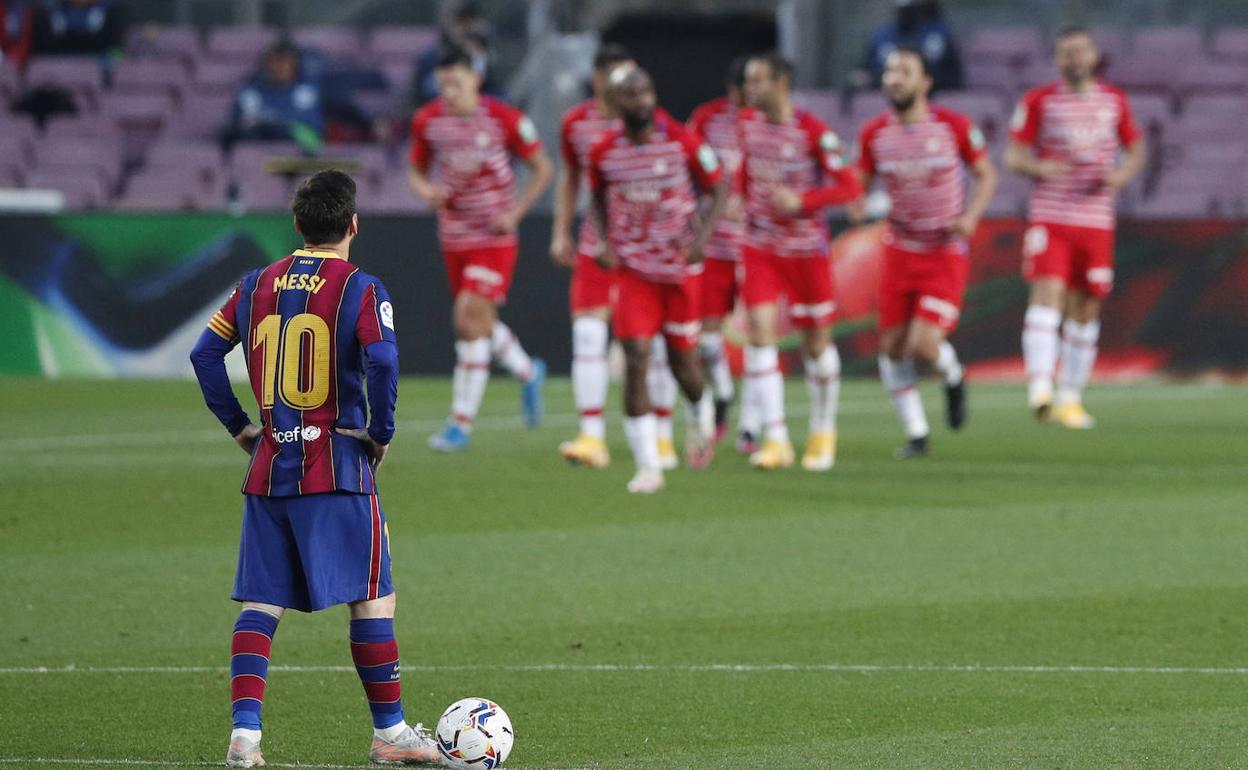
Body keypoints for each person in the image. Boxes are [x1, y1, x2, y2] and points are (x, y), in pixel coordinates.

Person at [189, 170, 441, 767]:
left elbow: (204, 354)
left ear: (297, 224)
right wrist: (381, 432)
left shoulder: (255, 284)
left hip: (270, 467)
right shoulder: (361, 286)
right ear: (353, 224)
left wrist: (240, 427)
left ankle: (245, 737)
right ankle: (391, 733)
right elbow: (383, 360)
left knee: (261, 601)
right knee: (373, 597)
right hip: (337, 468)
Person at [587, 66, 728, 493]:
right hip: (635, 272)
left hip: (679, 272)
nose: (641, 100)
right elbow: (596, 196)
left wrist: (702, 238)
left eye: (645, 91)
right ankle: (648, 465)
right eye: (630, 94)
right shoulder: (604, 151)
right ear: (615, 103)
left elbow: (719, 186)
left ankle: (701, 410)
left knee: (684, 364)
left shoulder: (681, 139)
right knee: (636, 359)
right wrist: (604, 241)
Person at [855, 47, 997, 458]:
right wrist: (858, 205)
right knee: (891, 347)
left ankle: (953, 377)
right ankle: (917, 434)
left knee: (923, 344)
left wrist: (970, 217)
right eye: (889, 71)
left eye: (904, 71)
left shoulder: (953, 126)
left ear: (925, 82)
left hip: (943, 251)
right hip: (899, 251)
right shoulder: (874, 133)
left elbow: (986, 175)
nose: (894, 79)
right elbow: (857, 187)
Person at [409, 46, 553, 452]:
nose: (448, 93)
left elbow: (543, 168)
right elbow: (416, 171)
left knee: (467, 317)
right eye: (442, 85)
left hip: (493, 237)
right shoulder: (428, 120)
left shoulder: (506, 119)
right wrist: (426, 191)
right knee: (480, 323)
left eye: (456, 83)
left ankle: (460, 424)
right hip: (454, 236)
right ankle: (529, 372)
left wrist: (516, 212)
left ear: (476, 78)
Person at [1005, 26, 1145, 429]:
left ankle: (1070, 397)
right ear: (1057, 60)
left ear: (1094, 56)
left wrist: (1121, 175)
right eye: (1067, 52)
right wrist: (1040, 167)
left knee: (1086, 306)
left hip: (1096, 219)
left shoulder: (1113, 101)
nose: (1075, 59)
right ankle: (1040, 388)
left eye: (1081, 51)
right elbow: (1014, 156)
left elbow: (1136, 149)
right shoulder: (1039, 101)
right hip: (1051, 215)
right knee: (1047, 293)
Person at [737, 52, 862, 472]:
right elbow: (746, 171)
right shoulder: (747, 124)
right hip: (760, 247)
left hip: (805, 252)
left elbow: (848, 187)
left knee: (816, 345)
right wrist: (738, 198)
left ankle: (823, 428)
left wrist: (803, 200)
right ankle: (776, 439)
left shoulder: (813, 132)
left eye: (757, 80)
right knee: (759, 333)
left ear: (781, 83)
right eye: (748, 81)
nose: (750, 89)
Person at [551, 43, 635, 469]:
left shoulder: (647, 123)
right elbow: (570, 178)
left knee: (649, 346)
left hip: (642, 249)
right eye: (619, 77)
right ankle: (592, 436)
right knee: (587, 334)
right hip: (595, 244)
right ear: (598, 79)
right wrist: (560, 230)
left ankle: (660, 436)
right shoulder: (576, 123)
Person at [687, 54, 752, 449]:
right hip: (715, 245)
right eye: (746, 87)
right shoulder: (707, 119)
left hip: (760, 247)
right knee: (707, 339)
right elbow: (682, 163)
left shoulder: (773, 125)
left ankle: (752, 428)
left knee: (760, 336)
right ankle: (724, 393)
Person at [226, 40, 325, 151]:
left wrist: (272, 121)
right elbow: (240, 124)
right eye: (274, 62)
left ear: (295, 65)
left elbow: (310, 128)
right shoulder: (251, 92)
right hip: (255, 150)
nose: (279, 67)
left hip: (292, 152)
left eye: (284, 62)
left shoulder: (305, 91)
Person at [855, 0, 963, 93]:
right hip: (885, 98)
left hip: (935, 96)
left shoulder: (937, 32)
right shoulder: (882, 35)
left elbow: (953, 73)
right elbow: (865, 71)